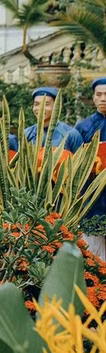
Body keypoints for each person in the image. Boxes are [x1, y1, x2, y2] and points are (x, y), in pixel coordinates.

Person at [74, 77, 106, 259]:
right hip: (93, 197)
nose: (103, 98)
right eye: (99, 94)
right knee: (94, 253)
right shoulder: (83, 127)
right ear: (93, 97)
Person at [26, 86, 83, 152]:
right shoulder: (27, 133)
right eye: (36, 104)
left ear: (56, 106)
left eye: (46, 104)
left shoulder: (70, 134)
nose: (40, 109)